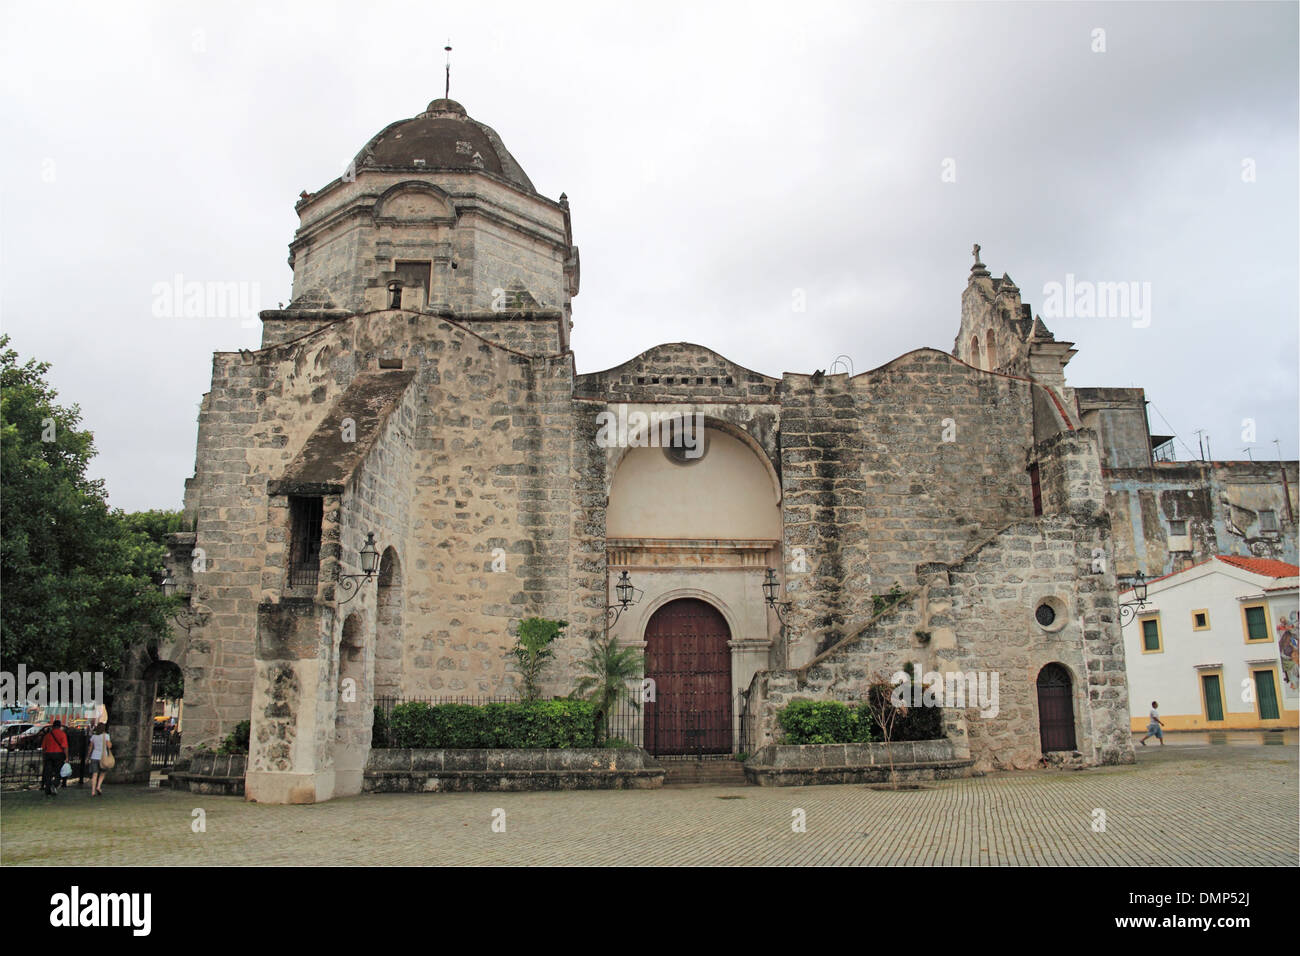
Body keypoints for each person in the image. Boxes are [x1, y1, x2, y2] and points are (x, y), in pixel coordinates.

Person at [40, 719, 69, 797]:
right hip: (58, 755)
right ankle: (55, 784)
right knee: (58, 772)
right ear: (59, 726)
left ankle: (47, 789)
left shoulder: (47, 735)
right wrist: (66, 757)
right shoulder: (62, 734)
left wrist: (43, 758)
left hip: (48, 754)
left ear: (53, 726)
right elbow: (65, 747)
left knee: (48, 773)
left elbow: (43, 748)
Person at [87, 722, 111, 796]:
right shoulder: (106, 736)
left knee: (94, 774)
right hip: (103, 757)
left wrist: (88, 756)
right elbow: (109, 746)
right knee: (103, 772)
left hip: (94, 756)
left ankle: (93, 791)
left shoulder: (94, 737)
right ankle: (98, 786)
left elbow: (90, 747)